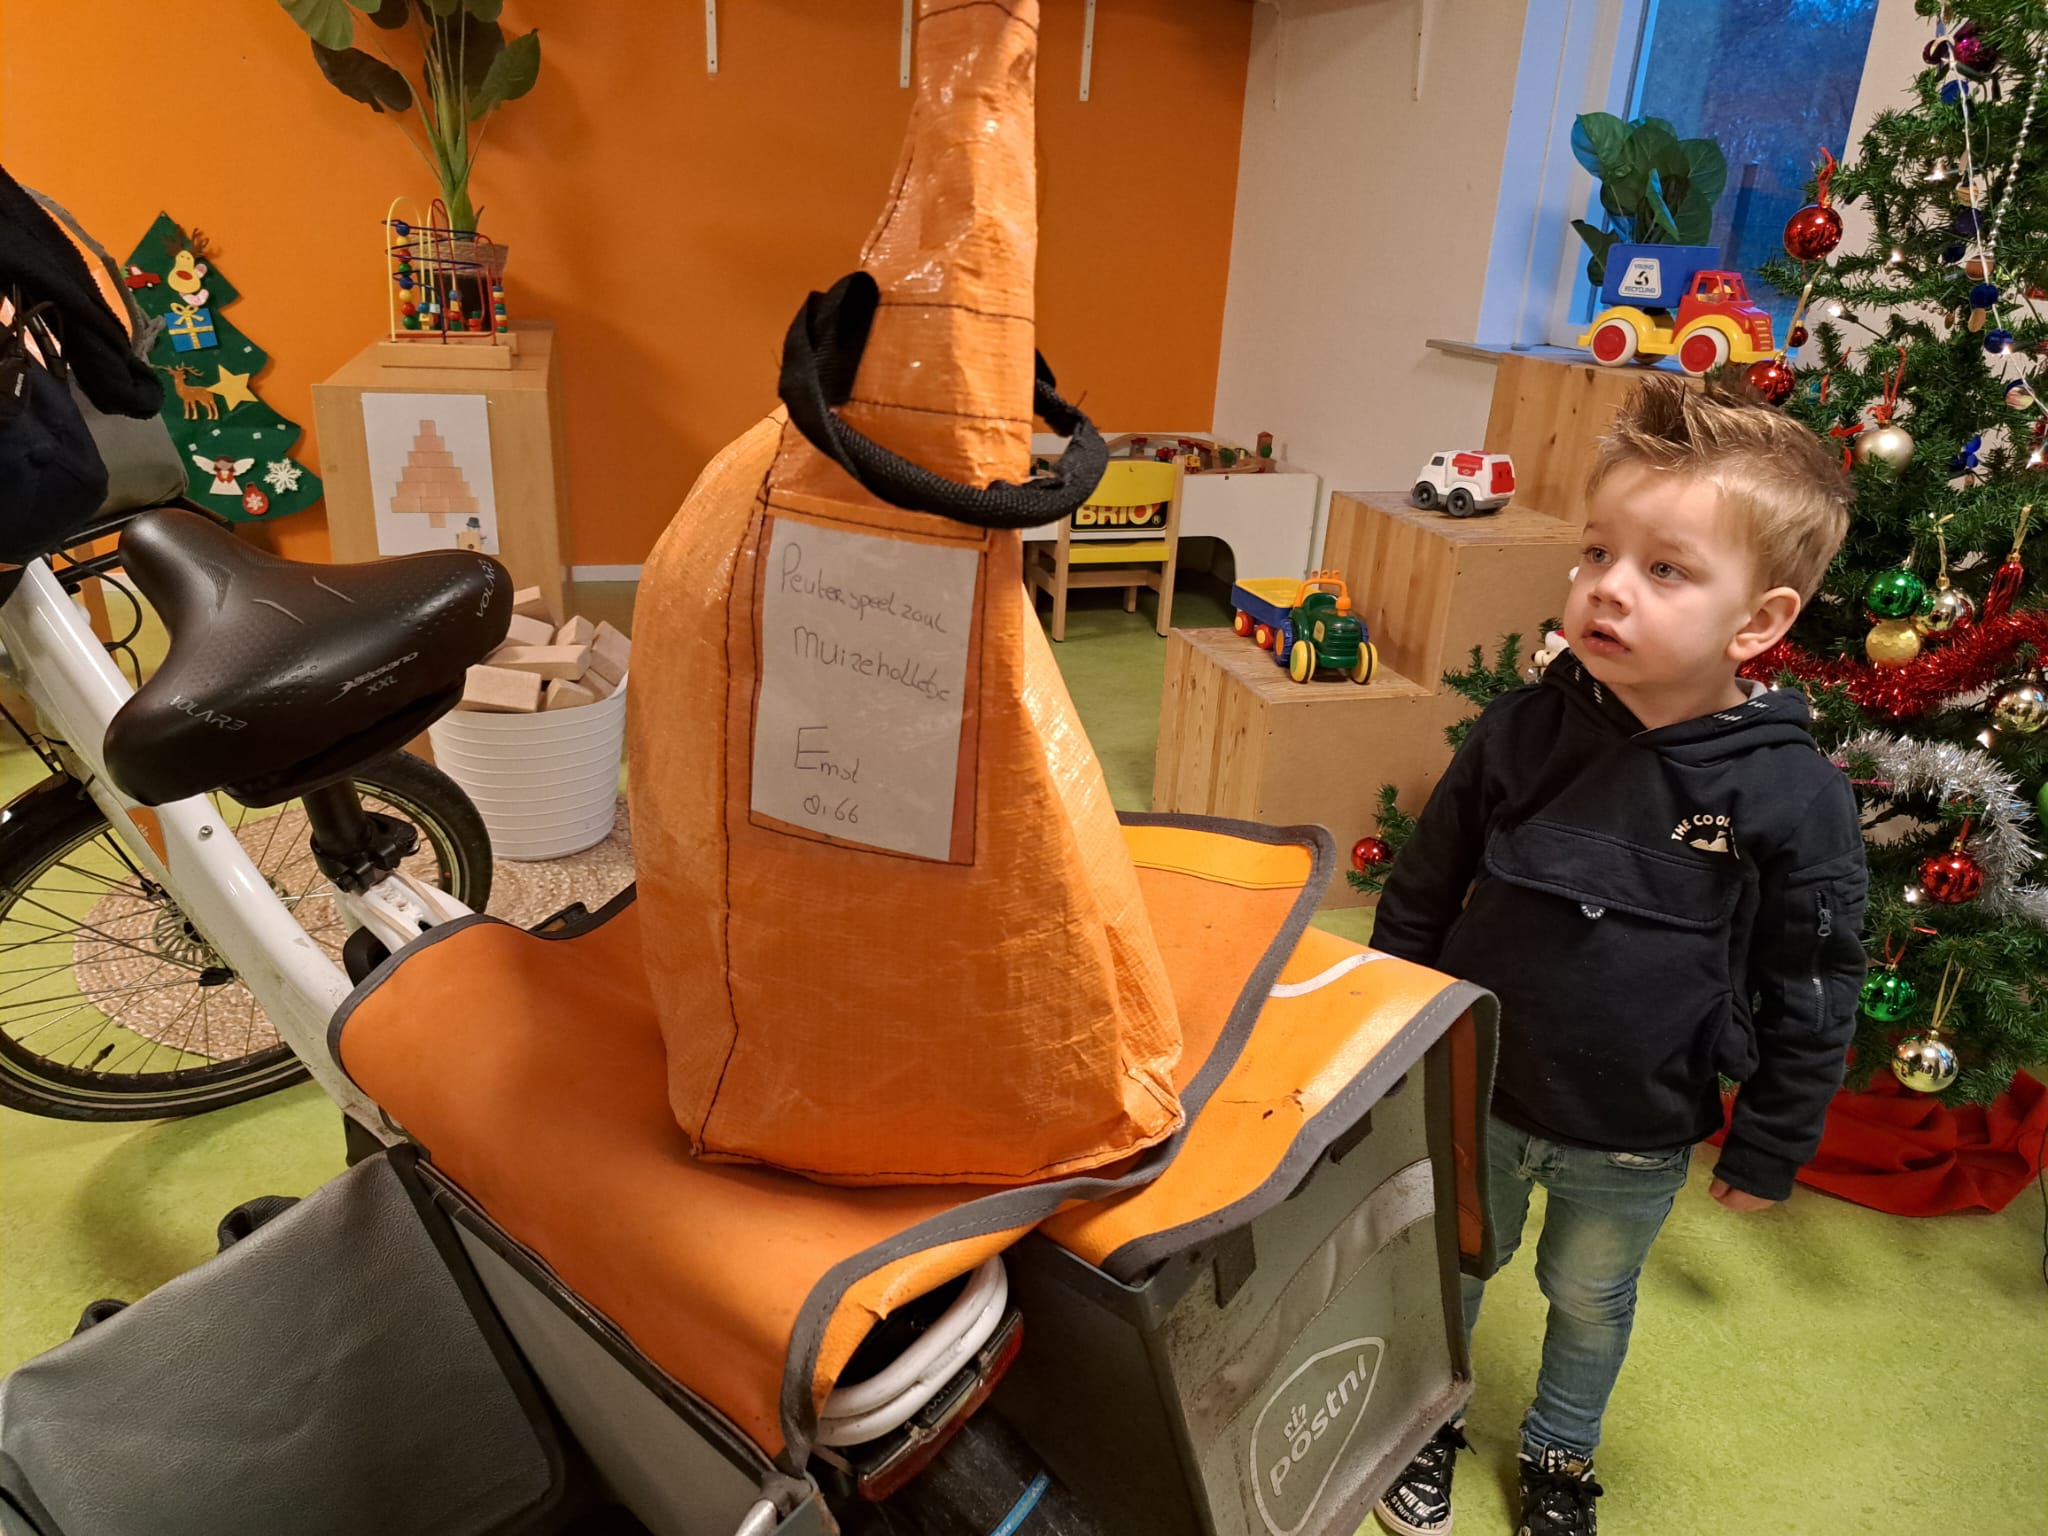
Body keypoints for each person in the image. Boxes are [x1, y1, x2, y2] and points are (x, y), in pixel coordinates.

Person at [1371, 375, 1869, 1536]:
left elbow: (1810, 982)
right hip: (1476, 1090)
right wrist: (1383, 1037)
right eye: (1596, 551)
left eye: (1663, 569)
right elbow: (1424, 886)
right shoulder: (1519, 731)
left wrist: (1773, 1137)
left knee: (1589, 1299)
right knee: (1451, 1266)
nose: (1605, 585)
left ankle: (1559, 1454)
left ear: (1757, 623)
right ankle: (1426, 1419)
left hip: (1635, 1128)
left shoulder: (1792, 796)